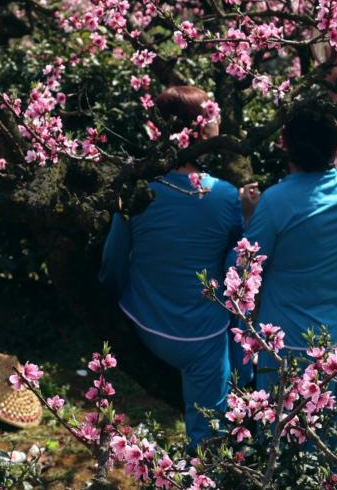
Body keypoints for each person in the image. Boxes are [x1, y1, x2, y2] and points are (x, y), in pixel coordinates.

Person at [99, 85, 245, 447]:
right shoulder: (225, 196)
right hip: (202, 336)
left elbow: (114, 261)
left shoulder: (140, 187)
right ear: (199, 130)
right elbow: (237, 269)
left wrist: (111, 298)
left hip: (143, 318)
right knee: (209, 431)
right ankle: (210, 484)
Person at [239, 94, 337, 396]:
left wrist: (249, 216)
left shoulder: (274, 202)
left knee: (284, 435)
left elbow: (245, 269)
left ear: (284, 144)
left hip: (288, 343)